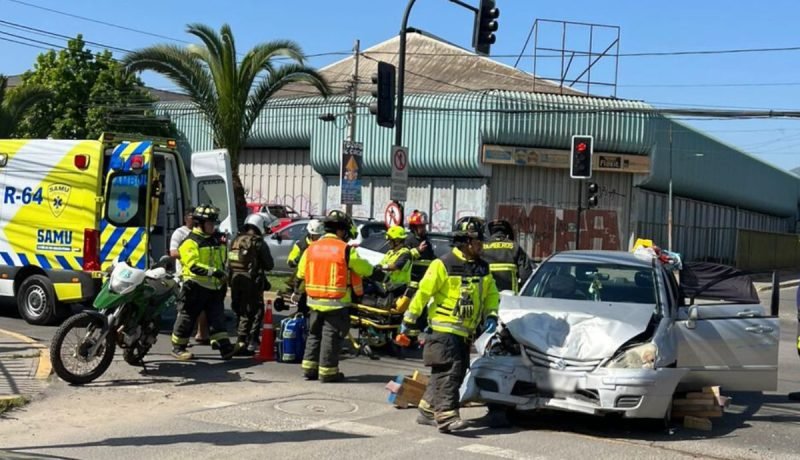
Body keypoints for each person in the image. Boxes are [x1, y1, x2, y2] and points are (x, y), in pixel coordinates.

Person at [400, 219, 499, 433]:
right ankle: (446, 416)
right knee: (449, 372)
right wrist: (409, 320)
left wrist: (491, 314)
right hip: (444, 329)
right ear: (466, 242)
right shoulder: (443, 264)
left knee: (453, 371)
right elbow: (423, 293)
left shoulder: (482, 267)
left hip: (464, 331)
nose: (482, 246)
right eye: (478, 242)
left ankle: (428, 410)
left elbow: (491, 293)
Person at [296, 210, 373, 383]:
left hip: (313, 301)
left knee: (314, 335)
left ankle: (309, 369)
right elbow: (365, 269)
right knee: (331, 337)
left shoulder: (311, 248)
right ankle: (328, 372)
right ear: (340, 230)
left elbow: (300, 273)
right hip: (336, 303)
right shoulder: (345, 249)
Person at [171, 205, 238, 361]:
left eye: (214, 223)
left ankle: (225, 347)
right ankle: (178, 348)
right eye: (209, 223)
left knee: (217, 318)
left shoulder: (214, 239)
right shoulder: (190, 242)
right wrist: (214, 272)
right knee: (187, 318)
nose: (213, 226)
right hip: (195, 286)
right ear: (199, 223)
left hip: (214, 287)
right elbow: (193, 265)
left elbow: (222, 259)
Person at [229, 212, 275, 356]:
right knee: (253, 311)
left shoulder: (235, 240)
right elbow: (269, 265)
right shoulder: (258, 242)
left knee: (240, 310)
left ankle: (242, 339)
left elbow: (228, 262)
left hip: (235, 280)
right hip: (251, 281)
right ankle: (247, 341)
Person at [169, 208, 210, 345]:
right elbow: (173, 252)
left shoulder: (203, 234)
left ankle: (202, 334)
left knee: (203, 307)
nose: (194, 220)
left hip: (202, 276)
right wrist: (190, 255)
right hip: (185, 275)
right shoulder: (180, 233)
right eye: (192, 217)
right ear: (186, 218)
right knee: (185, 309)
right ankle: (180, 338)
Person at [365, 225, 413, 307]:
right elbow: (381, 264)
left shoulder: (405, 253)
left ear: (397, 240)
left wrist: (383, 267)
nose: (388, 242)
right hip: (387, 286)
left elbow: (396, 266)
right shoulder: (390, 252)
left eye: (390, 240)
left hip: (398, 289)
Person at [404, 210, 436, 334]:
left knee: (423, 311)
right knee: (412, 310)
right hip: (412, 282)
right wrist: (417, 250)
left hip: (424, 282)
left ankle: (418, 334)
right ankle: (409, 334)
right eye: (421, 226)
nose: (423, 229)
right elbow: (403, 258)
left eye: (424, 226)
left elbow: (431, 258)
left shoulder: (426, 241)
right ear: (414, 227)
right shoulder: (409, 240)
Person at [482, 219, 533, 294]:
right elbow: (525, 274)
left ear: (491, 232)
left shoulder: (482, 248)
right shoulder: (515, 247)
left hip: (487, 294)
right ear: (507, 233)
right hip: (510, 296)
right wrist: (521, 289)